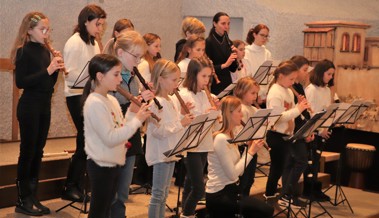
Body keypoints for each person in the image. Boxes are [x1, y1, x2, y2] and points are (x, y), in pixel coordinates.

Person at [82, 54, 151, 218]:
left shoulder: (111, 101)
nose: (120, 79)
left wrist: (133, 112)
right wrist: (138, 120)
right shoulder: (94, 103)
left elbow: (122, 126)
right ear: (100, 76)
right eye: (116, 74)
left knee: (107, 209)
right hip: (100, 165)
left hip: (113, 163)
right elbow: (110, 138)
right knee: (99, 212)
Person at [10, 11, 64, 216]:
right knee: (28, 152)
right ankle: (22, 199)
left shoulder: (44, 51)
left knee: (39, 151)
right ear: (29, 30)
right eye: (42, 29)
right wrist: (48, 69)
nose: (46, 33)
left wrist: (56, 68)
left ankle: (33, 196)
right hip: (29, 106)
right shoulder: (23, 51)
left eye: (48, 29)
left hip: (44, 105)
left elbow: (48, 84)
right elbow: (21, 82)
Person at [105, 30, 155, 218]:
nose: (138, 61)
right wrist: (137, 101)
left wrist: (143, 99)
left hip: (131, 137)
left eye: (141, 57)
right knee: (112, 192)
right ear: (120, 53)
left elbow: (134, 107)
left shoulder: (133, 76)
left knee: (123, 193)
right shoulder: (107, 76)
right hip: (114, 139)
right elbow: (109, 108)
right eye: (136, 56)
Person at [62, 4, 106, 202]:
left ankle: (78, 185)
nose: (100, 29)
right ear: (85, 21)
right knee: (84, 139)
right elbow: (69, 75)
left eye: (102, 25)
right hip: (75, 95)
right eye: (97, 24)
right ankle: (70, 186)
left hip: (89, 95)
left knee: (86, 141)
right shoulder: (74, 42)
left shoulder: (93, 43)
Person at [206, 96, 273, 218]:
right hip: (219, 195)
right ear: (229, 114)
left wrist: (248, 149)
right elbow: (233, 174)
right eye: (238, 111)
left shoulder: (230, 136)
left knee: (265, 210)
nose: (242, 115)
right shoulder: (221, 139)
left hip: (230, 190)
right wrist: (251, 152)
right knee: (265, 211)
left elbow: (239, 172)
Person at [146, 59, 194, 218]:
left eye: (178, 80)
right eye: (174, 80)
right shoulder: (155, 102)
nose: (176, 84)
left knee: (165, 194)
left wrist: (183, 116)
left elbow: (171, 123)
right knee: (158, 194)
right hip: (161, 153)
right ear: (160, 79)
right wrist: (181, 122)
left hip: (171, 149)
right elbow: (158, 131)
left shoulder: (171, 99)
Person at [264, 61, 310, 207]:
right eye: (291, 79)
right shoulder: (274, 92)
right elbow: (278, 117)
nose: (293, 82)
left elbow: (291, 112)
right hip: (276, 135)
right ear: (281, 76)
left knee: (282, 166)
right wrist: (299, 109)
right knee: (276, 168)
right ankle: (269, 195)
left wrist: (299, 109)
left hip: (287, 134)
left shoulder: (288, 91)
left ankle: (277, 195)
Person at [179, 56, 218, 218]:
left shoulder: (204, 94)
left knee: (190, 183)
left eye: (209, 76)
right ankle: (187, 214)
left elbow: (212, 124)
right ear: (193, 75)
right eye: (204, 76)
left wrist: (216, 111)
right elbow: (186, 123)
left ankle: (184, 210)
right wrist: (206, 114)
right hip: (191, 145)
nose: (207, 80)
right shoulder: (184, 95)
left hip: (204, 143)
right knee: (199, 188)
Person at [277, 56, 313, 208]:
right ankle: (286, 194)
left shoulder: (297, 86)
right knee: (299, 161)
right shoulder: (289, 88)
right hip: (292, 129)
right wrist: (304, 131)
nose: (307, 73)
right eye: (304, 70)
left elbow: (301, 110)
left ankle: (289, 194)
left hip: (298, 128)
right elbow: (292, 112)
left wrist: (309, 127)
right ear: (295, 70)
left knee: (293, 162)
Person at [304, 59, 335, 201]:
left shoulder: (327, 89)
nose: (331, 77)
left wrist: (327, 126)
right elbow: (310, 114)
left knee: (316, 162)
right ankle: (308, 190)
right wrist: (319, 130)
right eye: (329, 74)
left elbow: (326, 111)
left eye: (332, 75)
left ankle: (315, 189)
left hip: (322, 130)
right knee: (311, 163)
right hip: (313, 132)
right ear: (321, 73)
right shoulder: (311, 89)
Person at [233, 77, 260, 197]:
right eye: (252, 93)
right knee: (242, 181)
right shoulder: (240, 108)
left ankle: (245, 204)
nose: (255, 96)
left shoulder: (254, 109)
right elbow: (237, 131)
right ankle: (239, 206)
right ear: (242, 92)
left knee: (250, 180)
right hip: (242, 149)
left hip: (252, 149)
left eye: (256, 93)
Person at [205, 12, 238, 95]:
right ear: (215, 24)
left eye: (228, 24)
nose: (226, 27)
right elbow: (206, 67)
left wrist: (235, 57)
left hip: (227, 83)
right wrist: (224, 65)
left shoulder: (228, 42)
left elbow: (233, 69)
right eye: (223, 23)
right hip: (214, 84)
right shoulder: (208, 42)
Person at [245, 24, 272, 107]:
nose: (264, 38)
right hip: (251, 94)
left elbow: (269, 76)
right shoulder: (246, 52)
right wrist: (257, 94)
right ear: (254, 35)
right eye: (262, 35)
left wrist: (267, 93)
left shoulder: (267, 53)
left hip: (265, 95)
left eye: (266, 36)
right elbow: (247, 76)